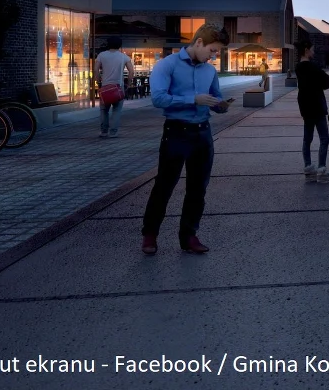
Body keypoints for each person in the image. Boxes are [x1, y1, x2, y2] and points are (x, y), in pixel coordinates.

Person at [141, 25, 231, 255]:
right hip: (176, 134)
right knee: (164, 186)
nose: (214, 56)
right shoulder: (167, 65)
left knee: (198, 188)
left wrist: (221, 105)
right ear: (199, 42)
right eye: (212, 50)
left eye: (217, 52)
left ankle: (189, 236)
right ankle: (150, 235)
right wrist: (194, 99)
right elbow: (159, 99)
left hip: (203, 134)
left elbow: (215, 98)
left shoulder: (209, 71)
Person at [295, 40, 329, 183]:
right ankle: (321, 170)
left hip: (305, 108)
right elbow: (326, 83)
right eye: (312, 49)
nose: (314, 51)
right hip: (317, 106)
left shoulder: (298, 68)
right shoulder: (314, 67)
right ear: (306, 50)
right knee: (324, 139)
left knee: (307, 139)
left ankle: (308, 168)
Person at [96, 36, 135, 138]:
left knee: (104, 110)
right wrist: (129, 83)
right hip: (118, 86)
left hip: (105, 87)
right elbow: (131, 71)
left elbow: (96, 70)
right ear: (120, 45)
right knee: (117, 110)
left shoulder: (101, 55)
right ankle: (113, 132)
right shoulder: (124, 57)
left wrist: (98, 81)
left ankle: (104, 132)